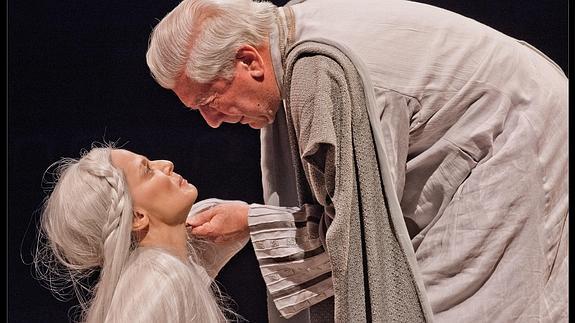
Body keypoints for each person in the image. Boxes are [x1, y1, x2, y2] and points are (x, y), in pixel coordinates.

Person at [145, 0, 568, 322]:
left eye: (210, 100)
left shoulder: (320, 73)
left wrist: (250, 223)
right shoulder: (289, 36)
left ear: (249, 61)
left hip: (516, 139)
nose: (213, 122)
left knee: (458, 305)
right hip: (489, 131)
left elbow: (362, 231)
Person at [33, 144, 249, 322]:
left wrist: (249, 219)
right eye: (147, 171)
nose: (166, 164)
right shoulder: (162, 279)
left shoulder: (163, 271)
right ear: (137, 217)